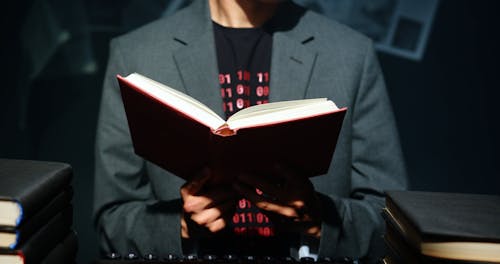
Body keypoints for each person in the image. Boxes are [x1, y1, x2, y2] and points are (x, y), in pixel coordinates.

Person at [93, 0, 408, 262]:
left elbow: (392, 223)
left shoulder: (350, 54)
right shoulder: (136, 53)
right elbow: (111, 222)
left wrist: (317, 218)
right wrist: (181, 227)